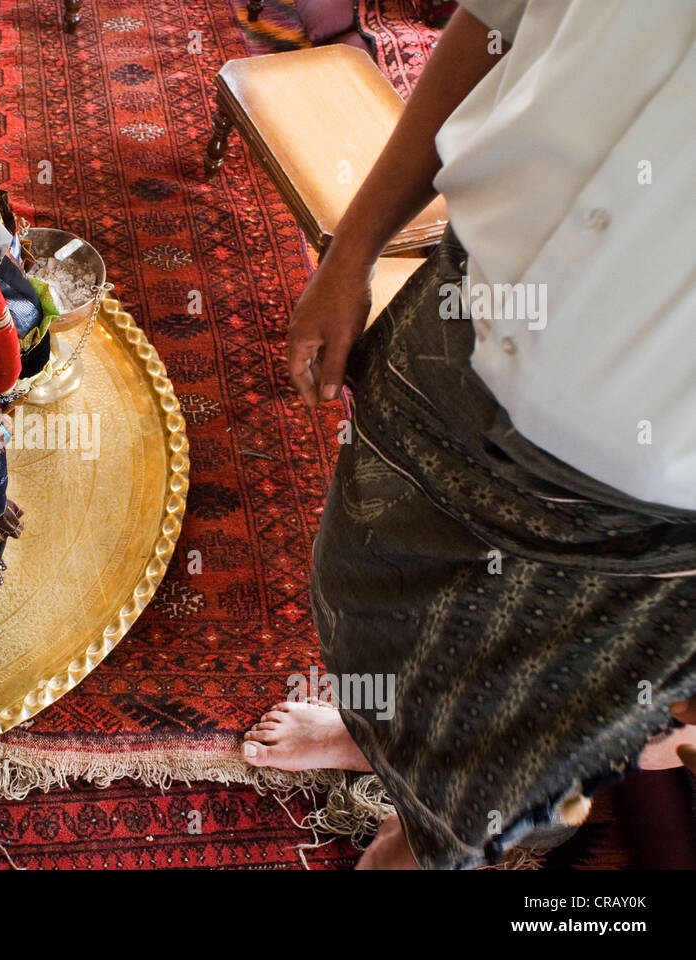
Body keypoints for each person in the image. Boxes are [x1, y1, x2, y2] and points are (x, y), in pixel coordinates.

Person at [242, 0, 696, 869]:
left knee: (519, 746)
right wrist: (352, 250)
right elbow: (494, 23)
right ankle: (375, 728)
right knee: (364, 587)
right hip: (458, 325)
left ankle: (422, 836)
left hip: (649, 520)